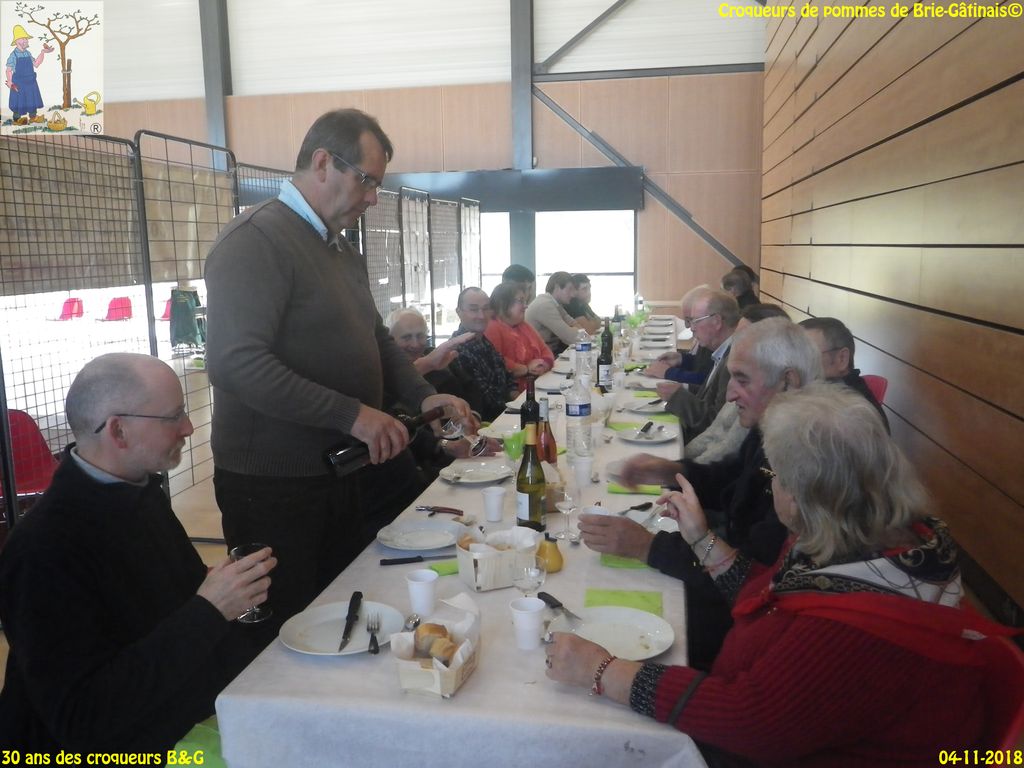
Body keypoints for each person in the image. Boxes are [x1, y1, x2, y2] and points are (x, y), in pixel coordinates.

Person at [548, 383, 1003, 766]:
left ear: (804, 497)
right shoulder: (870, 541)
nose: (772, 487)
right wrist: (702, 540)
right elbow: (773, 596)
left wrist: (603, 669)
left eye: (777, 477)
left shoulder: (858, 629)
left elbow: (746, 720)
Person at [204, 108, 471, 632]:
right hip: (275, 484)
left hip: (341, 471)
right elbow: (235, 363)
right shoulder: (256, 240)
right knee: (287, 631)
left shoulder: (341, 249)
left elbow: (376, 339)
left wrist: (424, 395)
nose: (373, 198)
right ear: (323, 162)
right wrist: (351, 414)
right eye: (367, 180)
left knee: (343, 614)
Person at [0, 353, 276, 754]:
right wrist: (210, 608)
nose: (188, 426)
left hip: (179, 716)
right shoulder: (42, 549)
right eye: (173, 416)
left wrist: (219, 591)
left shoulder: (136, 490)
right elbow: (83, 720)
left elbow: (171, 600)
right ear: (119, 431)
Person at [580, 317, 822, 666]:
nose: (730, 394)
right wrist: (671, 471)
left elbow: (751, 579)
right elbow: (730, 480)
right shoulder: (776, 425)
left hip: (745, 622)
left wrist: (647, 546)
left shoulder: (809, 457)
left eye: (742, 379)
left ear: (788, 381)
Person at [680, 303, 791, 466]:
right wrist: (678, 463)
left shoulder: (760, 404)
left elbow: (725, 452)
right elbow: (712, 434)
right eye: (736, 338)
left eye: (744, 339)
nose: (735, 345)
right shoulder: (737, 369)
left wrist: (680, 468)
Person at [659, 289, 740, 442]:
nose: (691, 328)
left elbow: (717, 425)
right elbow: (709, 396)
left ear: (716, 321)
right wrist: (680, 389)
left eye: (695, 321)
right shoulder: (721, 351)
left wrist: (678, 396)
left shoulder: (734, 361)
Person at [800, 316, 889, 431]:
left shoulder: (850, 418)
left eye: (807, 355)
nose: (794, 364)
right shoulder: (819, 395)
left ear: (842, 358)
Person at [450, 286, 517, 422]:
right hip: (486, 423)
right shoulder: (457, 351)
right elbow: (486, 399)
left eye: (486, 309)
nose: (481, 315)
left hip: (504, 413)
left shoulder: (484, 341)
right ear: (459, 312)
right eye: (474, 309)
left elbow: (507, 375)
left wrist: (516, 396)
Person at [484, 281, 554, 392]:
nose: (526, 306)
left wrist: (543, 364)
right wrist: (526, 369)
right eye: (521, 301)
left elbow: (545, 349)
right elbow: (496, 362)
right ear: (504, 304)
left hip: (537, 383)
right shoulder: (492, 327)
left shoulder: (523, 325)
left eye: (525, 301)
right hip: (513, 391)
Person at [524, 271, 586, 354]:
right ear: (557, 287)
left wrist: (578, 332)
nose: (573, 295)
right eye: (570, 289)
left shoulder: (555, 303)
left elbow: (573, 323)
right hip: (537, 355)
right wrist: (579, 333)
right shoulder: (545, 305)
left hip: (548, 352)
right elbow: (569, 337)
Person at [4, 24, 53, 125]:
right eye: (23, 38)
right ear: (17, 41)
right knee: (18, 101)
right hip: (19, 84)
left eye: (26, 38)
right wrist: (10, 82)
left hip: (30, 83)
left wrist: (43, 52)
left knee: (32, 100)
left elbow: (36, 64)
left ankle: (33, 117)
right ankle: (17, 120)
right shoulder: (13, 55)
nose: (26, 40)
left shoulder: (28, 53)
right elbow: (8, 70)